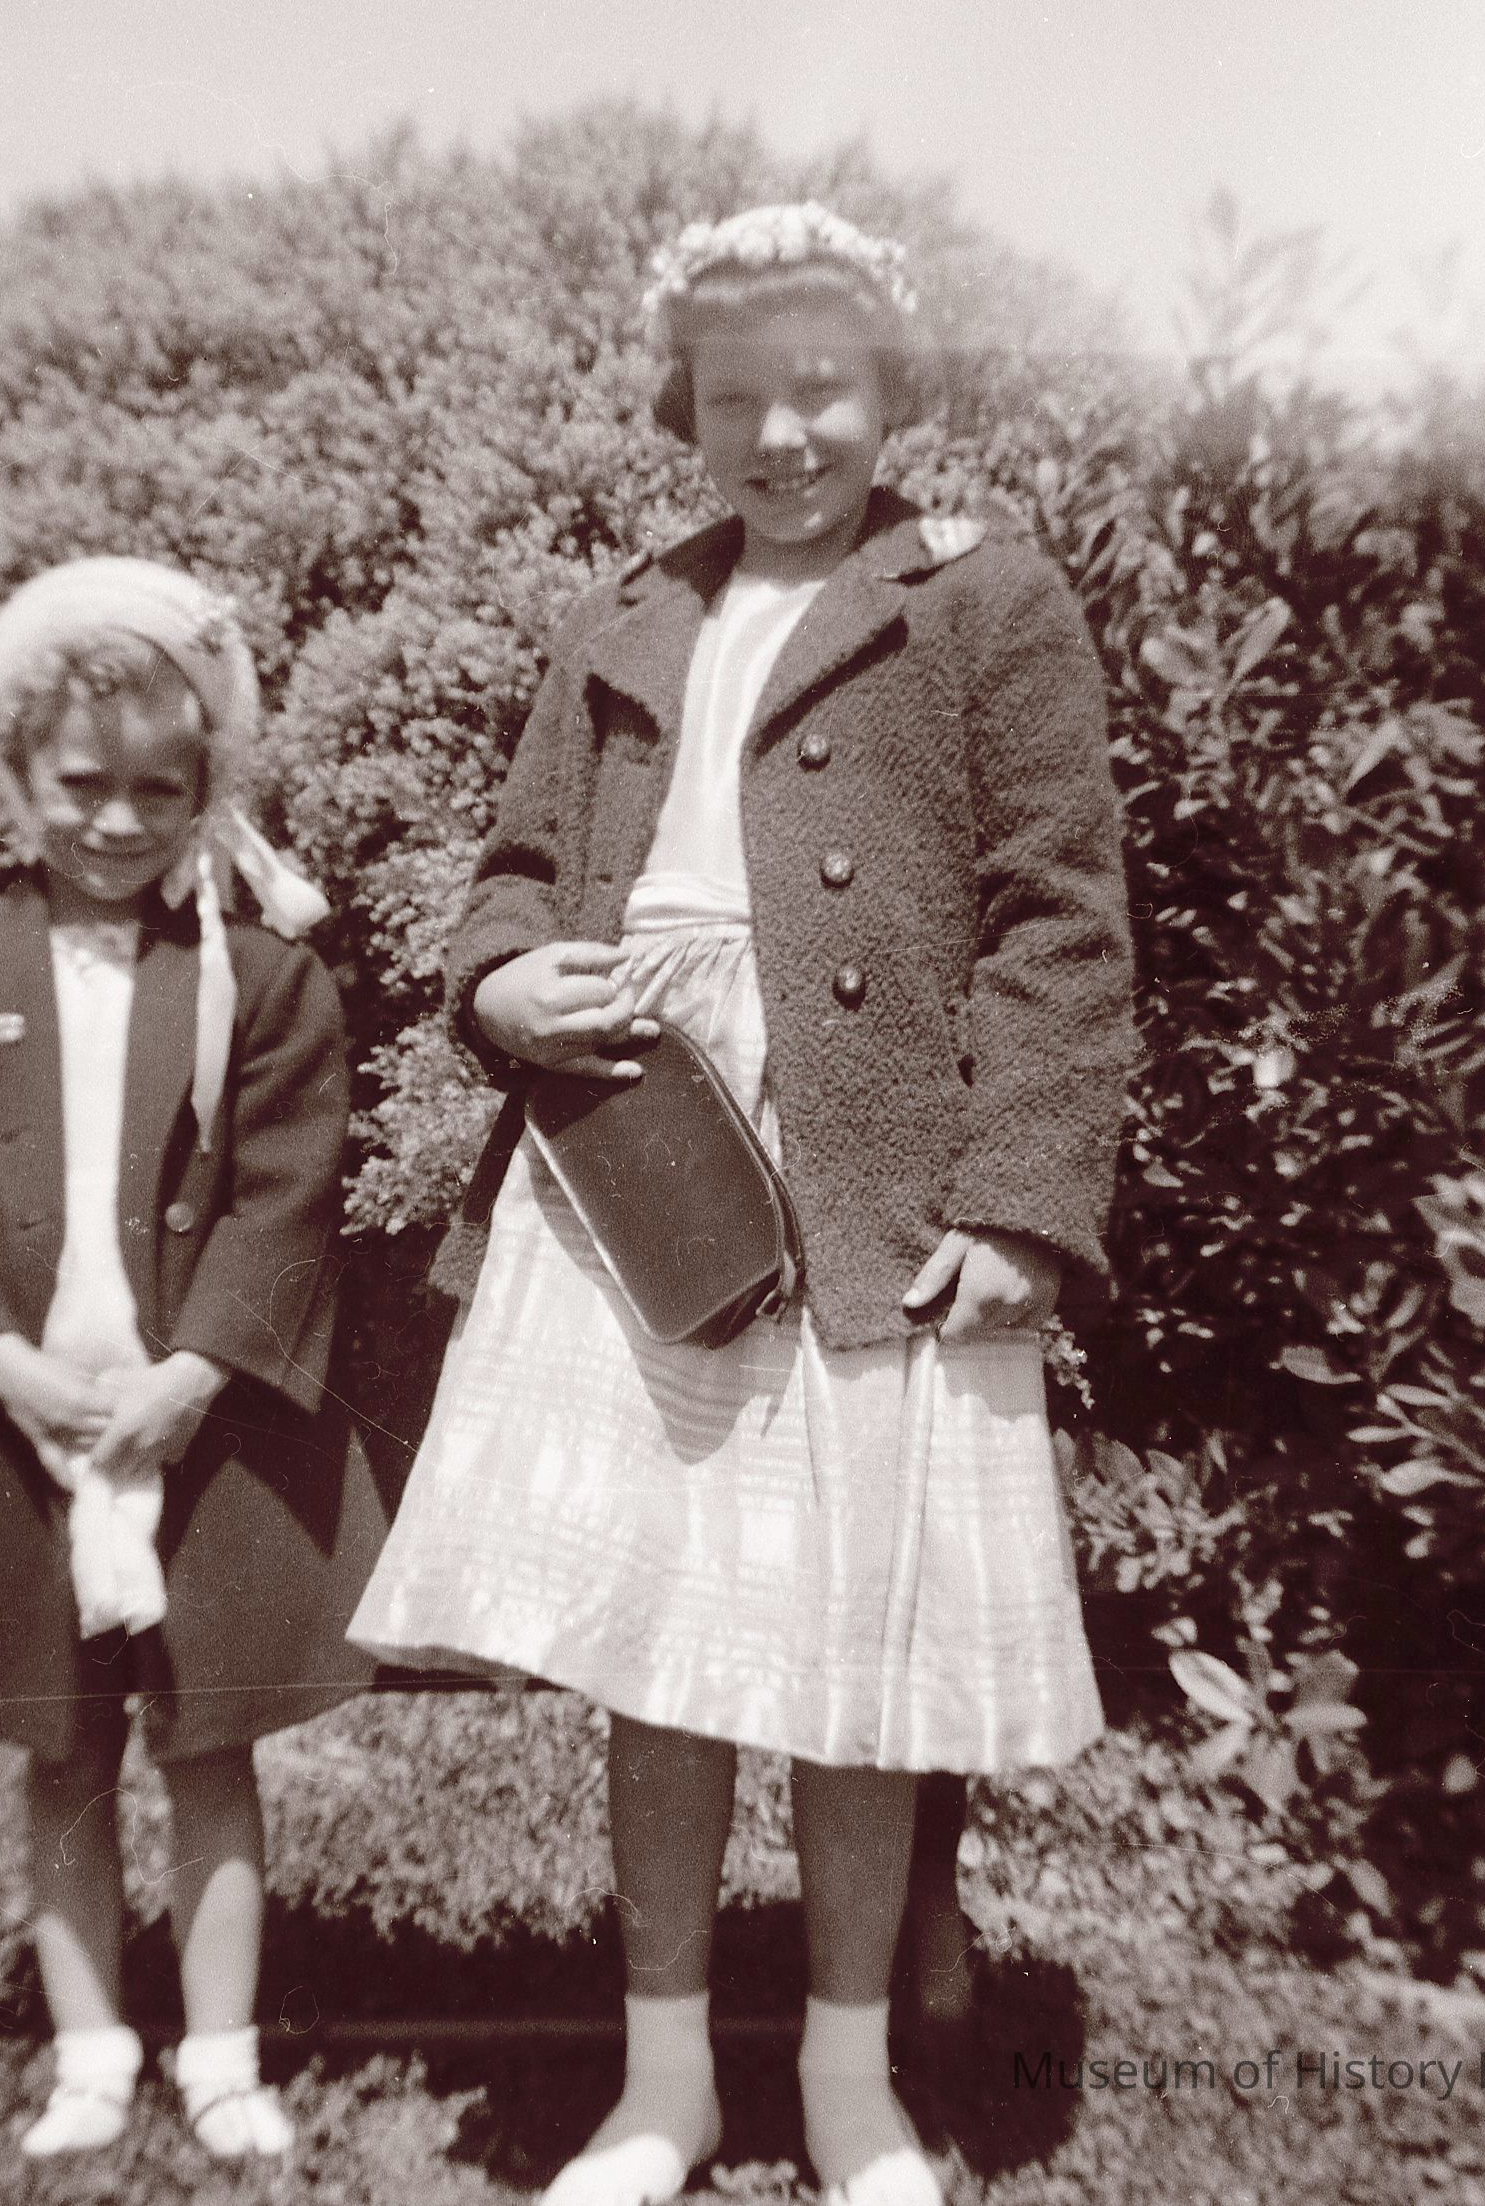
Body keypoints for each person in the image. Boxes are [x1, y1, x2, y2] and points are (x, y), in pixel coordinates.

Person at [350, 202, 1138, 2206]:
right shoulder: (625, 612)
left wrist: (1022, 1198)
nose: (779, 433)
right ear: (679, 407)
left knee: (852, 1645)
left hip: (871, 1170)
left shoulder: (982, 595)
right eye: (733, 396)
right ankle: (665, 2085)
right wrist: (497, 983)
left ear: (890, 388)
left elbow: (1059, 918)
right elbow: (515, 870)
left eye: (821, 387)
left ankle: (851, 2079)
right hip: (642, 1150)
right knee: (663, 1635)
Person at [0, 556, 387, 2163]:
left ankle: (220, 2051)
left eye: (160, 787)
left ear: (208, 788)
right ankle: (88, 2051)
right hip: (24, 1412)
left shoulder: (258, 978)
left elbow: (287, 1193)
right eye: (81, 783)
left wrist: (197, 1372)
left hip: (188, 1416)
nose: (119, 819)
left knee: (208, 1743)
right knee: (63, 1746)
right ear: (14, 777)